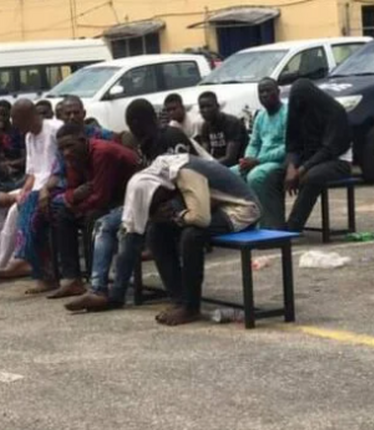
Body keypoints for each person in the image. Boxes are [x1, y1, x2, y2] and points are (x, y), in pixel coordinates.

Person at [66, 154, 261, 320]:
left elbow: (200, 218)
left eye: (155, 201)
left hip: (241, 209)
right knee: (156, 231)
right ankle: (178, 298)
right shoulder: (158, 172)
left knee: (192, 235)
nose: (156, 206)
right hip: (215, 206)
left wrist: (178, 215)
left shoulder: (186, 173)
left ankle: (191, 307)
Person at [64, 100, 197, 312]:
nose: (132, 131)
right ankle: (99, 290)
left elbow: (187, 177)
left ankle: (117, 293)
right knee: (105, 224)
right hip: (146, 203)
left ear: (138, 122)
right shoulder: (144, 144)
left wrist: (152, 207)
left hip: (180, 200)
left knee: (131, 229)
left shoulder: (170, 137)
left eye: (133, 124)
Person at [0, 99, 63, 291]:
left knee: (19, 210)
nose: (15, 125)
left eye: (16, 120)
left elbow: (59, 168)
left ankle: (18, 259)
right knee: (4, 206)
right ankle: (2, 265)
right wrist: (24, 191)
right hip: (37, 186)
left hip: (56, 185)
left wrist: (31, 193)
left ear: (28, 116)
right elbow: (32, 173)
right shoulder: (29, 137)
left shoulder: (54, 129)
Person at [46, 123, 139, 299]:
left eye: (70, 146)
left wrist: (74, 203)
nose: (66, 152)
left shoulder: (101, 153)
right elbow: (73, 190)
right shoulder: (74, 158)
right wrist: (74, 198)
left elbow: (100, 197)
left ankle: (94, 280)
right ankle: (72, 278)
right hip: (106, 199)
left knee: (93, 216)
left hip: (127, 200)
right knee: (63, 216)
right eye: (62, 149)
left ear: (82, 140)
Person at [284, 79, 353, 232]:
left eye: (302, 99)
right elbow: (292, 144)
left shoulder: (335, 111)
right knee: (274, 173)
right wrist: (290, 167)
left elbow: (329, 149)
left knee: (311, 177)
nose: (299, 103)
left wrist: (302, 169)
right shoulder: (297, 112)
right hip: (308, 158)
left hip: (337, 160)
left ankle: (293, 226)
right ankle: (272, 224)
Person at [232, 78, 288, 229]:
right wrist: (248, 159)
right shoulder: (260, 116)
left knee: (256, 176)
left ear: (278, 92)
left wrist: (257, 160)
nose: (264, 94)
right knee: (231, 174)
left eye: (268, 90)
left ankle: (270, 227)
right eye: (261, 92)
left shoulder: (287, 113)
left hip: (279, 162)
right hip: (258, 161)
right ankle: (243, 223)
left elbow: (287, 147)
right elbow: (254, 142)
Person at [126, 99, 192, 165]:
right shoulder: (146, 145)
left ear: (135, 124)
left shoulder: (171, 137)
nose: (132, 133)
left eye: (130, 127)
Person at [197, 91, 247, 167]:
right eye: (202, 107)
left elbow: (230, 158)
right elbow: (205, 154)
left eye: (209, 106)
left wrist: (208, 166)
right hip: (217, 164)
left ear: (217, 106)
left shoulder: (232, 123)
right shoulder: (205, 126)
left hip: (238, 165)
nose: (205, 110)